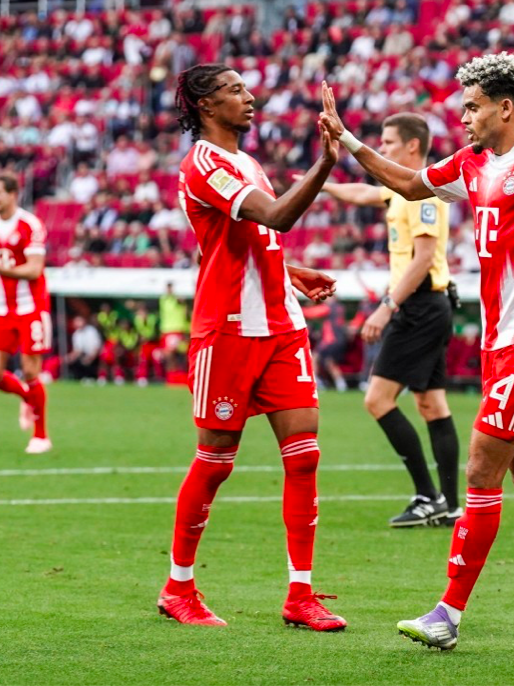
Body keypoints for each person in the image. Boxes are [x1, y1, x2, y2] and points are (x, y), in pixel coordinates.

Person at [320, 52, 514, 650]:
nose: (463, 117)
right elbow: (409, 183)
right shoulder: (471, 163)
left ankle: (447, 614)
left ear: (505, 108)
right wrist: (349, 141)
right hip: (501, 345)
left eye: (472, 107)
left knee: (479, 470)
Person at [158, 63, 343, 632]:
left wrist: (291, 271)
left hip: (282, 325)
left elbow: (253, 238)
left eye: (246, 87)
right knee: (216, 462)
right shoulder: (203, 164)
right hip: (229, 330)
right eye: (235, 89)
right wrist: (326, 162)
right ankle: (178, 588)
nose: (250, 96)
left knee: (304, 456)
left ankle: (301, 595)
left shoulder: (249, 163)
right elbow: (278, 216)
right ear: (205, 104)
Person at [320, 113, 460, 528]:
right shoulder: (400, 189)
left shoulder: (425, 194)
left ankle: (427, 496)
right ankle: (450, 504)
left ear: (412, 146)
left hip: (419, 306)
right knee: (432, 404)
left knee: (377, 400)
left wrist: (386, 306)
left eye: (388, 143)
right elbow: (364, 193)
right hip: (429, 305)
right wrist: (321, 184)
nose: (381, 149)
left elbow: (423, 258)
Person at [0, 172, 53, 454]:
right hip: (2, 309)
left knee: (31, 370)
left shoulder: (29, 224)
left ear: (12, 194)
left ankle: (41, 436)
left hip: (30, 307)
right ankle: (27, 396)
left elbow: (34, 269)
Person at [66, 315, 102, 381]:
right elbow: (77, 350)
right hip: (83, 355)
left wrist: (90, 357)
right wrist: (70, 357)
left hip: (94, 354)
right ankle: (79, 378)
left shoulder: (92, 331)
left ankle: (91, 377)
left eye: (79, 321)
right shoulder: (76, 334)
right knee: (73, 361)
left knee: (87, 362)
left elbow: (97, 347)